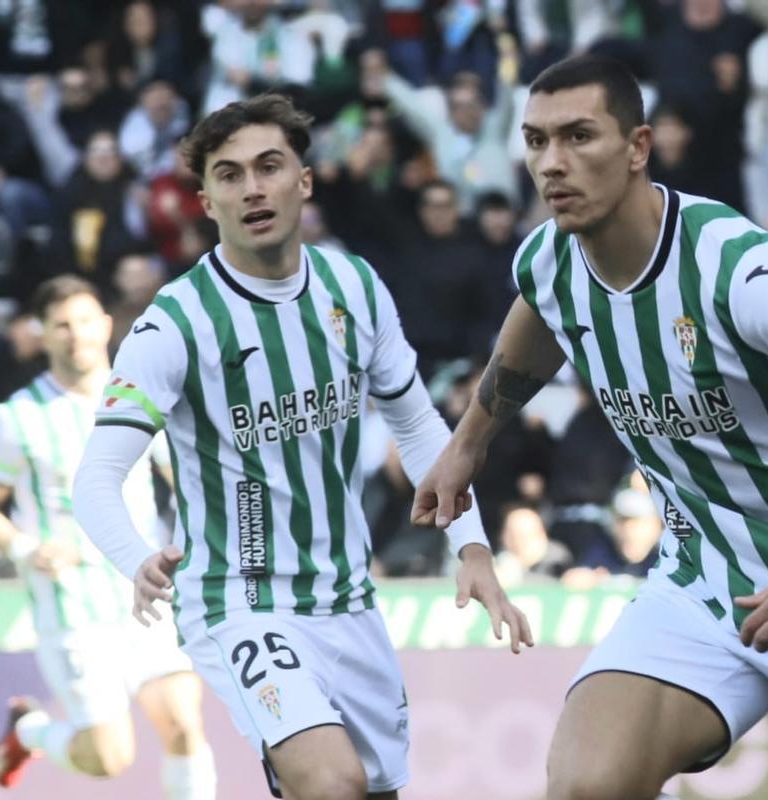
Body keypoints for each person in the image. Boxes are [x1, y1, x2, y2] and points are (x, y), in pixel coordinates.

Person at [413, 55, 768, 800]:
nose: (552, 162)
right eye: (536, 140)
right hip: (702, 579)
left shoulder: (740, 269)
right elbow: (540, 313)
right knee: (587, 785)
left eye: (579, 136)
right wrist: (468, 444)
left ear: (638, 147)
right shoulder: (550, 258)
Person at [71, 93, 532, 800]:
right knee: (331, 782)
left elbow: (416, 426)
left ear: (304, 181)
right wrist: (137, 558)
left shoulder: (354, 286)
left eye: (269, 167)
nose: (252, 188)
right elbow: (96, 477)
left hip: (350, 599)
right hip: (239, 601)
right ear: (207, 201)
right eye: (230, 175)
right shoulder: (174, 324)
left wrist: (471, 548)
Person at [0, 276, 215, 798]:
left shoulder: (143, 397)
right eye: (61, 324)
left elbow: (188, 480)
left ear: (105, 325)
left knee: (184, 723)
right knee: (108, 757)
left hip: (146, 589)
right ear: (41, 334)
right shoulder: (17, 418)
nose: (76, 334)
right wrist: (25, 547)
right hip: (72, 607)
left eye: (84, 321)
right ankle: (30, 731)